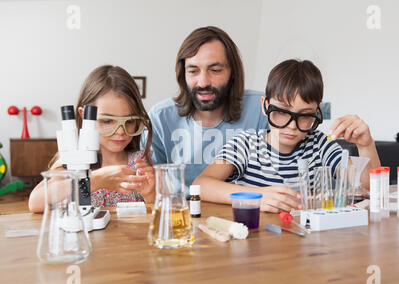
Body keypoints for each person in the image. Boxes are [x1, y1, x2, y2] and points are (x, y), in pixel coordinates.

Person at [193, 59, 381, 213]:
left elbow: (369, 189)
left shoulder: (320, 145)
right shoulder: (245, 144)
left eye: (306, 115)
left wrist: (366, 145)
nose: (292, 126)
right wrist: (256, 197)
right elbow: (202, 185)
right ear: (265, 106)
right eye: (282, 112)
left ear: (316, 112)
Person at [141, 26, 268, 188]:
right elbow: (150, 187)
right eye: (193, 71)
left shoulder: (261, 110)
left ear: (233, 73)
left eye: (215, 70)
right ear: (183, 74)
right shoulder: (160, 117)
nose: (203, 82)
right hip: (181, 210)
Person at [28, 65, 155, 212]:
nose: (120, 131)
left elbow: (155, 210)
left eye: (129, 121)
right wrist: (95, 180)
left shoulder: (139, 162)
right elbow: (35, 203)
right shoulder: (72, 161)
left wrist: (149, 193)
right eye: (107, 121)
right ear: (84, 116)